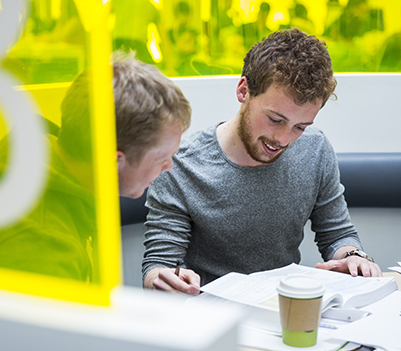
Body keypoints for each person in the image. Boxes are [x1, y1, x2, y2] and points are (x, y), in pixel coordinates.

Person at [142, 28, 381, 295]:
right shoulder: (180, 164)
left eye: (299, 126)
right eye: (275, 119)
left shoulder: (315, 148)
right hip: (212, 316)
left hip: (286, 308)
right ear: (244, 90)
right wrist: (163, 278)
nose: (282, 139)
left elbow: (337, 234)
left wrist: (354, 256)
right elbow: (158, 264)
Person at [0, 52, 191, 281]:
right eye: (160, 158)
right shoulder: (42, 247)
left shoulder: (43, 163)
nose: (169, 166)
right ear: (113, 161)